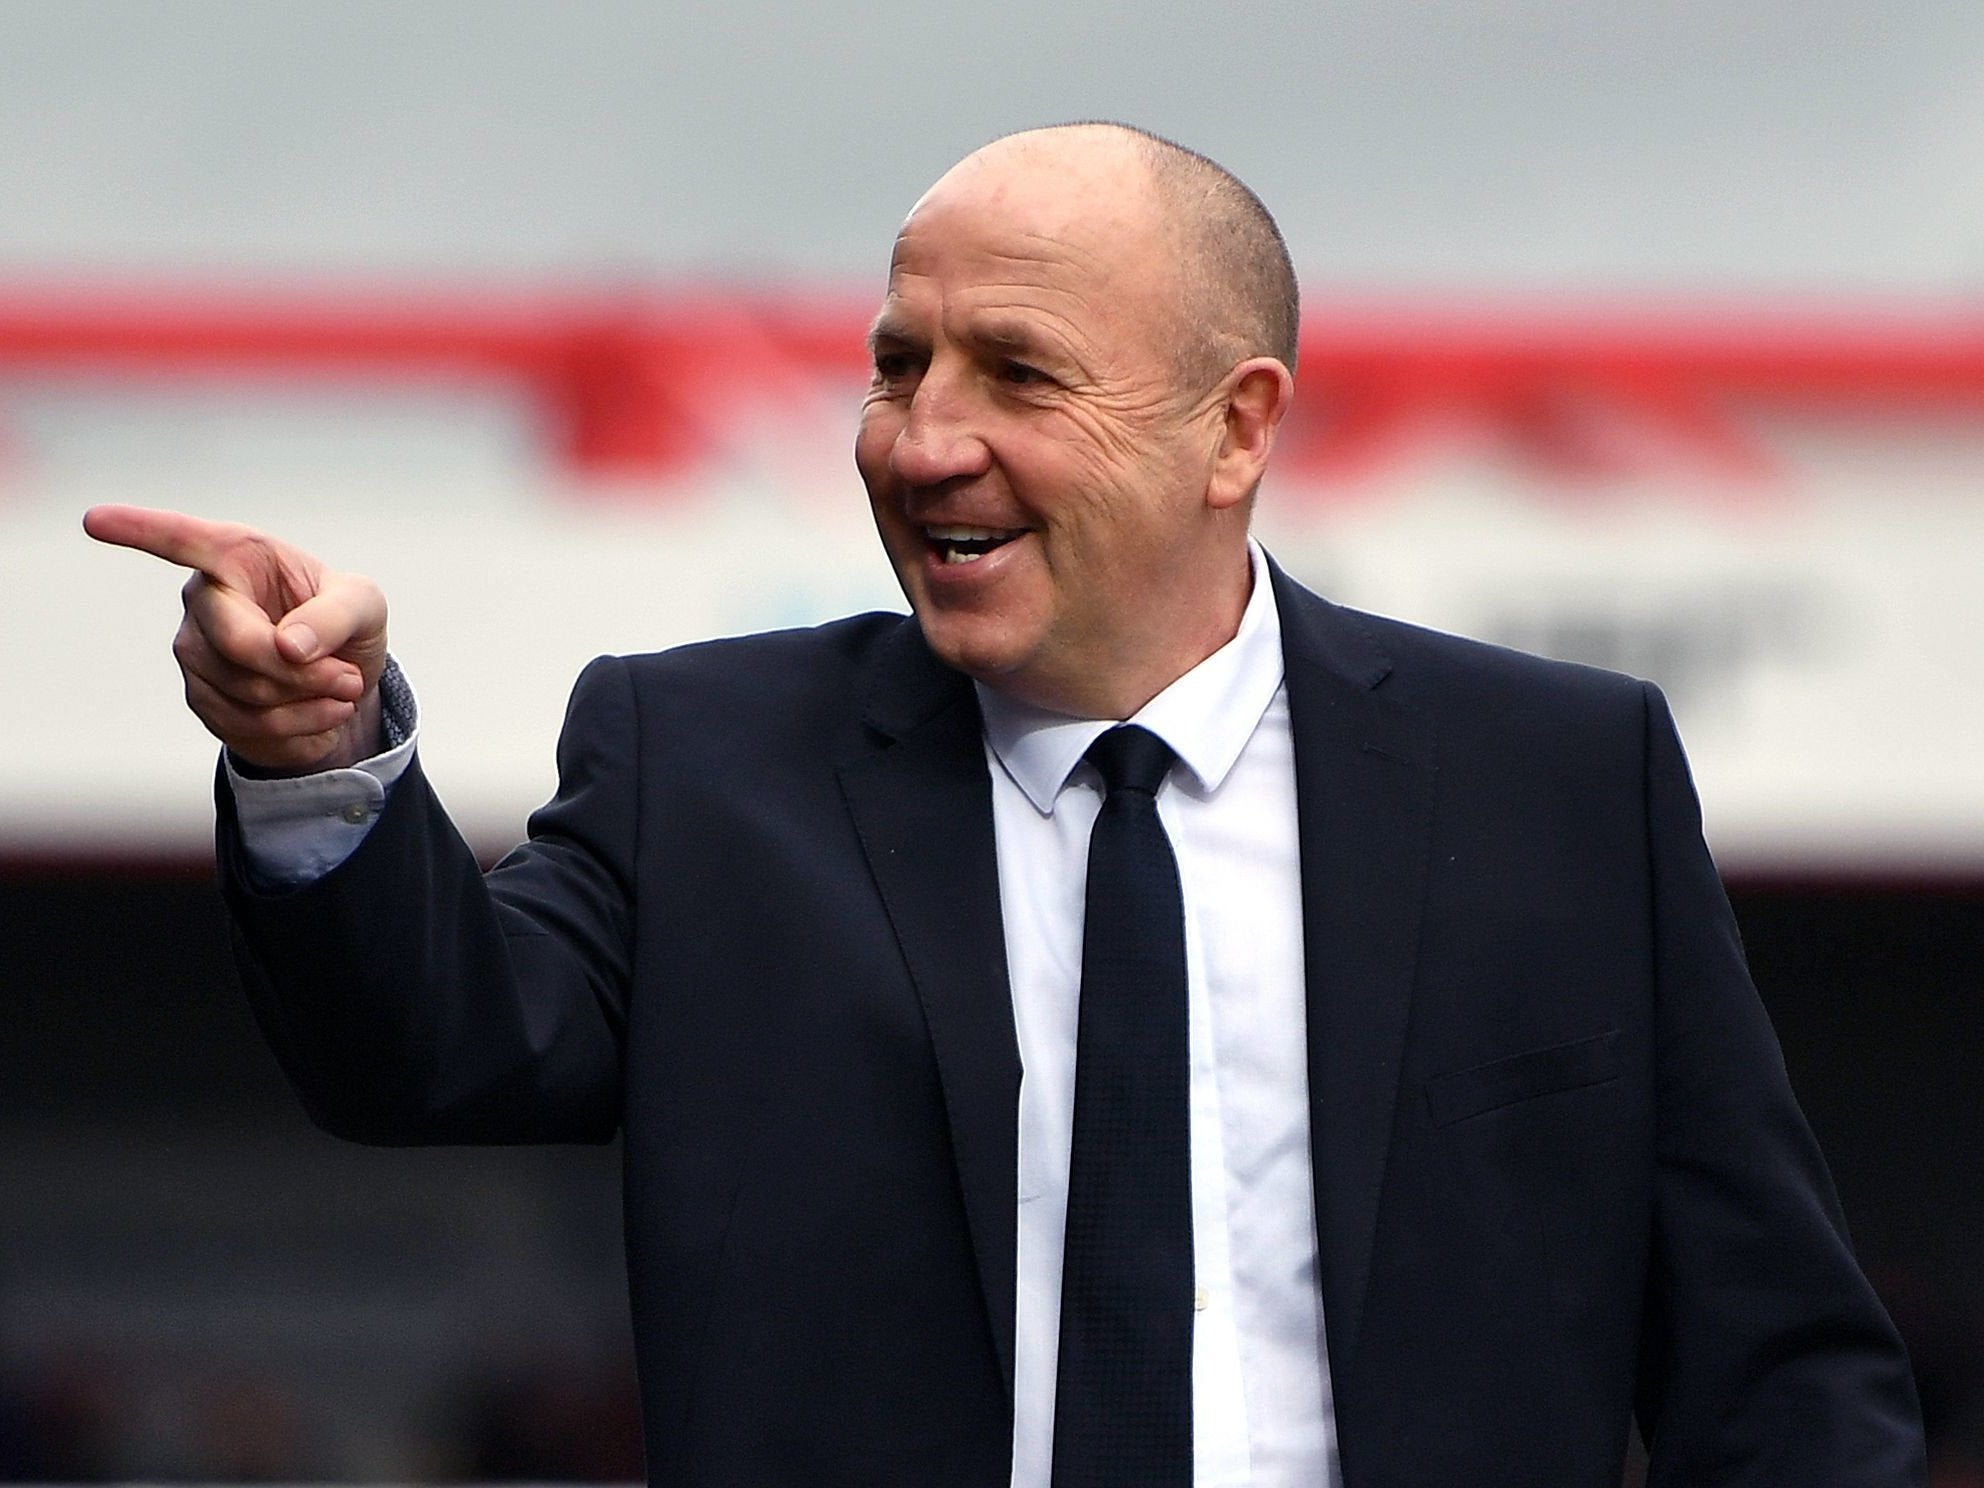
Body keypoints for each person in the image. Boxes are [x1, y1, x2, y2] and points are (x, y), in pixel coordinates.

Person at [86, 123, 1925, 1486]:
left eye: (1018, 374)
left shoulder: (1553, 782)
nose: (920, 437)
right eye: (899, 362)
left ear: (1238, 427)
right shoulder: (706, 759)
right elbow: (435, 1055)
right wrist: (313, 756)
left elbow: (1777, 1361)